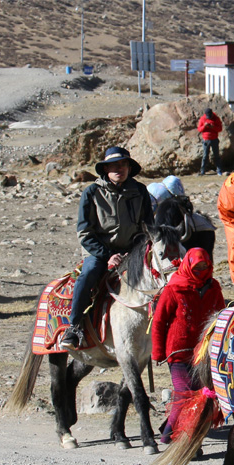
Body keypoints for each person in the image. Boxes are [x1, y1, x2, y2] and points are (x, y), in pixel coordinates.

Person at [60, 146, 154, 350]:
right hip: (99, 252)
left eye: (122, 164)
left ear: (129, 167)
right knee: (89, 274)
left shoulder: (140, 191)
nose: (118, 168)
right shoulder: (92, 193)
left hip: (133, 251)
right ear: (105, 169)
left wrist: (137, 251)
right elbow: (85, 233)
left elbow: (148, 227)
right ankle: (74, 327)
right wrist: (108, 256)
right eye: (113, 165)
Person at [152, 247, 225, 442]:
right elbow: (159, 321)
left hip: (202, 353)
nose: (201, 270)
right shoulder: (174, 288)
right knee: (185, 394)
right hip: (178, 352)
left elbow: (220, 315)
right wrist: (158, 352)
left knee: (199, 395)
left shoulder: (214, 288)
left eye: (205, 266)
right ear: (188, 265)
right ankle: (173, 436)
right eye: (197, 266)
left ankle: (175, 432)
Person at [197, 108, 223, 175]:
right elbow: (199, 129)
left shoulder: (216, 118)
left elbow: (220, 129)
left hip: (214, 139)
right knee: (205, 155)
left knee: (216, 155)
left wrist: (213, 127)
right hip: (206, 140)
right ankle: (202, 170)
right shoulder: (202, 119)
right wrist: (204, 126)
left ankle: (219, 170)